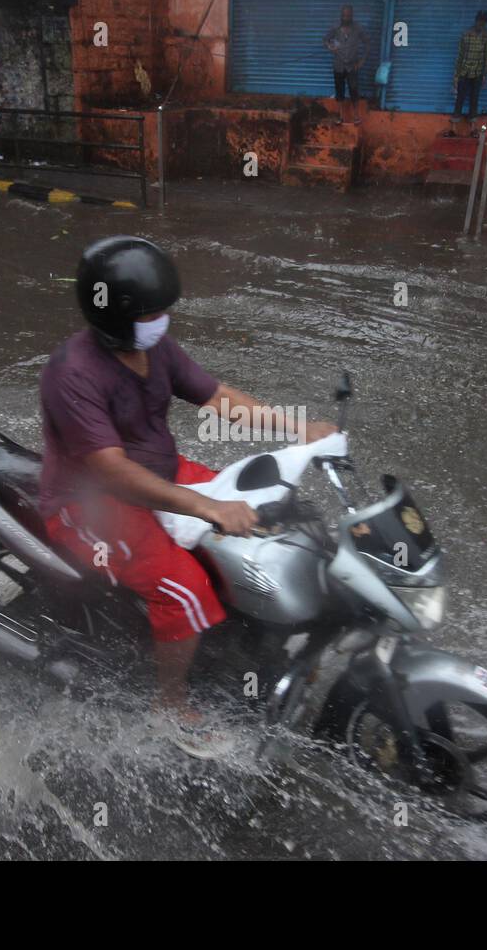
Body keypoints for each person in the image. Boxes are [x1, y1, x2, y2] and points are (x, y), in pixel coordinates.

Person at [37, 237, 336, 756]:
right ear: (116, 314)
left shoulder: (154, 349)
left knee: (269, 521)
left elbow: (219, 398)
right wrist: (205, 506)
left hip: (162, 472)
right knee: (186, 589)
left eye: (164, 311)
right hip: (91, 503)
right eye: (152, 312)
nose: (163, 321)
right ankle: (169, 704)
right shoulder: (72, 374)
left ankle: (241, 644)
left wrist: (296, 426)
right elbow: (112, 472)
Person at [323, 5, 368, 126]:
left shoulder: (358, 28)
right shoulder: (335, 28)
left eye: (348, 15)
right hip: (338, 65)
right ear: (341, 15)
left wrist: (362, 60)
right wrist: (330, 46)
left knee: (354, 90)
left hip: (352, 66)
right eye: (344, 15)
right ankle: (340, 116)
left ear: (352, 16)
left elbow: (367, 43)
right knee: (339, 91)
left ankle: (356, 116)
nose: (346, 17)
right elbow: (325, 40)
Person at [450, 11, 487, 132]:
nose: (481, 24)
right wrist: (456, 76)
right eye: (479, 21)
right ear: (476, 21)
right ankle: (453, 128)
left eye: (483, 22)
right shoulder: (466, 34)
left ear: (485, 23)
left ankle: (473, 128)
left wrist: (485, 75)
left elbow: (486, 56)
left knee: (474, 99)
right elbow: (460, 55)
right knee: (460, 99)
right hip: (464, 71)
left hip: (478, 72)